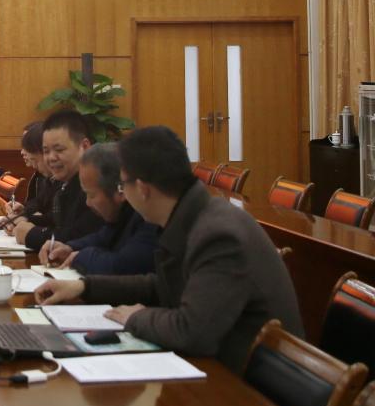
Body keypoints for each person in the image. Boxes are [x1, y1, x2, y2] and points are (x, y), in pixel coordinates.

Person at [34, 126, 304, 372]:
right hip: (220, 367)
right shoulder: (192, 215)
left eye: (123, 184)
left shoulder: (218, 234)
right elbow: (162, 286)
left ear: (142, 189)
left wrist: (137, 318)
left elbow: (193, 332)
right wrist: (84, 287)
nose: (122, 193)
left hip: (251, 388)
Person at [37, 142, 157, 275]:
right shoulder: (121, 212)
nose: (87, 203)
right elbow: (102, 238)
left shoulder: (149, 215)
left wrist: (80, 257)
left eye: (91, 195)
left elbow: (122, 267)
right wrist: (70, 248)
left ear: (120, 191)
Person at [13, 110, 103, 250]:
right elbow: (57, 224)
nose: (51, 158)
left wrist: (32, 234)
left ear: (84, 147)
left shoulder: (96, 183)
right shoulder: (66, 182)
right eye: (46, 151)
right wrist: (26, 220)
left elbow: (79, 236)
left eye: (59, 150)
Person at [6, 122, 58, 224]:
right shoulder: (44, 176)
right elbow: (39, 202)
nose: (22, 152)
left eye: (27, 147)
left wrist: (27, 221)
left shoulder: (69, 179)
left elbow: (59, 222)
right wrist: (24, 212)